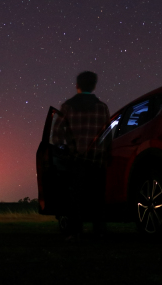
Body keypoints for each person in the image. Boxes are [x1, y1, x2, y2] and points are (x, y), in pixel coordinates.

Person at [52, 71, 111, 239]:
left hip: (76, 160)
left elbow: (56, 134)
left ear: (77, 85)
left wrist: (64, 148)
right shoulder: (102, 107)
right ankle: (99, 232)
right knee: (98, 197)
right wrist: (107, 154)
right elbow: (107, 134)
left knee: (75, 197)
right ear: (93, 86)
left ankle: (76, 231)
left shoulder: (67, 107)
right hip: (97, 160)